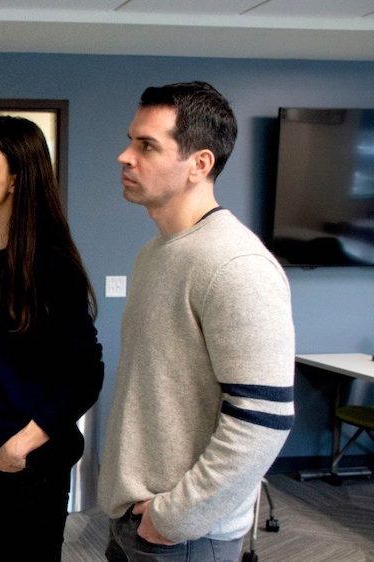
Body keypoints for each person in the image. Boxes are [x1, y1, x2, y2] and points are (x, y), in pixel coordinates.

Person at [97, 81, 295, 561]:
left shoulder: (237, 263)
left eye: (146, 146)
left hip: (186, 536)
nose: (125, 156)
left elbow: (263, 421)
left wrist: (173, 518)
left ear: (199, 164)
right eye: (130, 140)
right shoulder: (154, 254)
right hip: (137, 515)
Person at [0, 115, 105, 561]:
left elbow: (86, 372)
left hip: (30, 457)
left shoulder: (51, 266)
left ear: (15, 180)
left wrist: (24, 443)